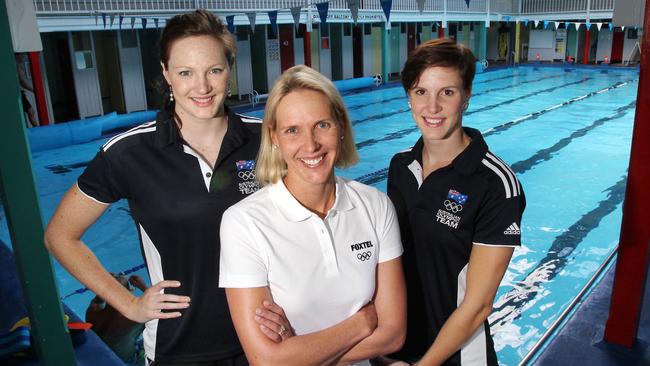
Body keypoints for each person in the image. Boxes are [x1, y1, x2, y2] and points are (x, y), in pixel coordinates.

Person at [44, 10, 261, 365]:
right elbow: (60, 235)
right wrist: (129, 304)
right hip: (179, 348)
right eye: (186, 73)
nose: (202, 86)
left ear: (229, 70)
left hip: (265, 341)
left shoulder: (265, 138)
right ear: (166, 75)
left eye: (214, 71)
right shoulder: (129, 153)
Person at [219, 65, 406, 366]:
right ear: (274, 137)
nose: (310, 145)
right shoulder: (244, 223)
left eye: (322, 125)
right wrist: (364, 321)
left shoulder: (375, 206)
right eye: (292, 130)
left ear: (341, 126)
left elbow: (394, 334)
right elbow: (265, 361)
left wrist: (296, 354)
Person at [386, 38, 526, 365]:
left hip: (457, 356)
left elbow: (478, 305)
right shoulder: (400, 166)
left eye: (446, 92)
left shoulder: (495, 184)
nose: (432, 107)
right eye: (421, 92)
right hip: (399, 345)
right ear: (409, 97)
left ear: (466, 97)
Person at [86, 273, 147, 363]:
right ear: (130, 291)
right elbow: (165, 311)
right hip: (125, 360)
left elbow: (100, 297)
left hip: (97, 354)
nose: (122, 273)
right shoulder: (135, 319)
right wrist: (143, 287)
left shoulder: (93, 312)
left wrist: (107, 282)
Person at [15, 53, 38, 127]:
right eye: (21, 55)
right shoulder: (15, 65)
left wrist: (33, 90)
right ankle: (37, 130)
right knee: (30, 111)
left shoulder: (19, 65)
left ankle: (37, 129)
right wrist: (33, 90)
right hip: (18, 93)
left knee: (31, 112)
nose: (22, 57)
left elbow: (22, 81)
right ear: (17, 56)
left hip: (20, 92)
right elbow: (22, 81)